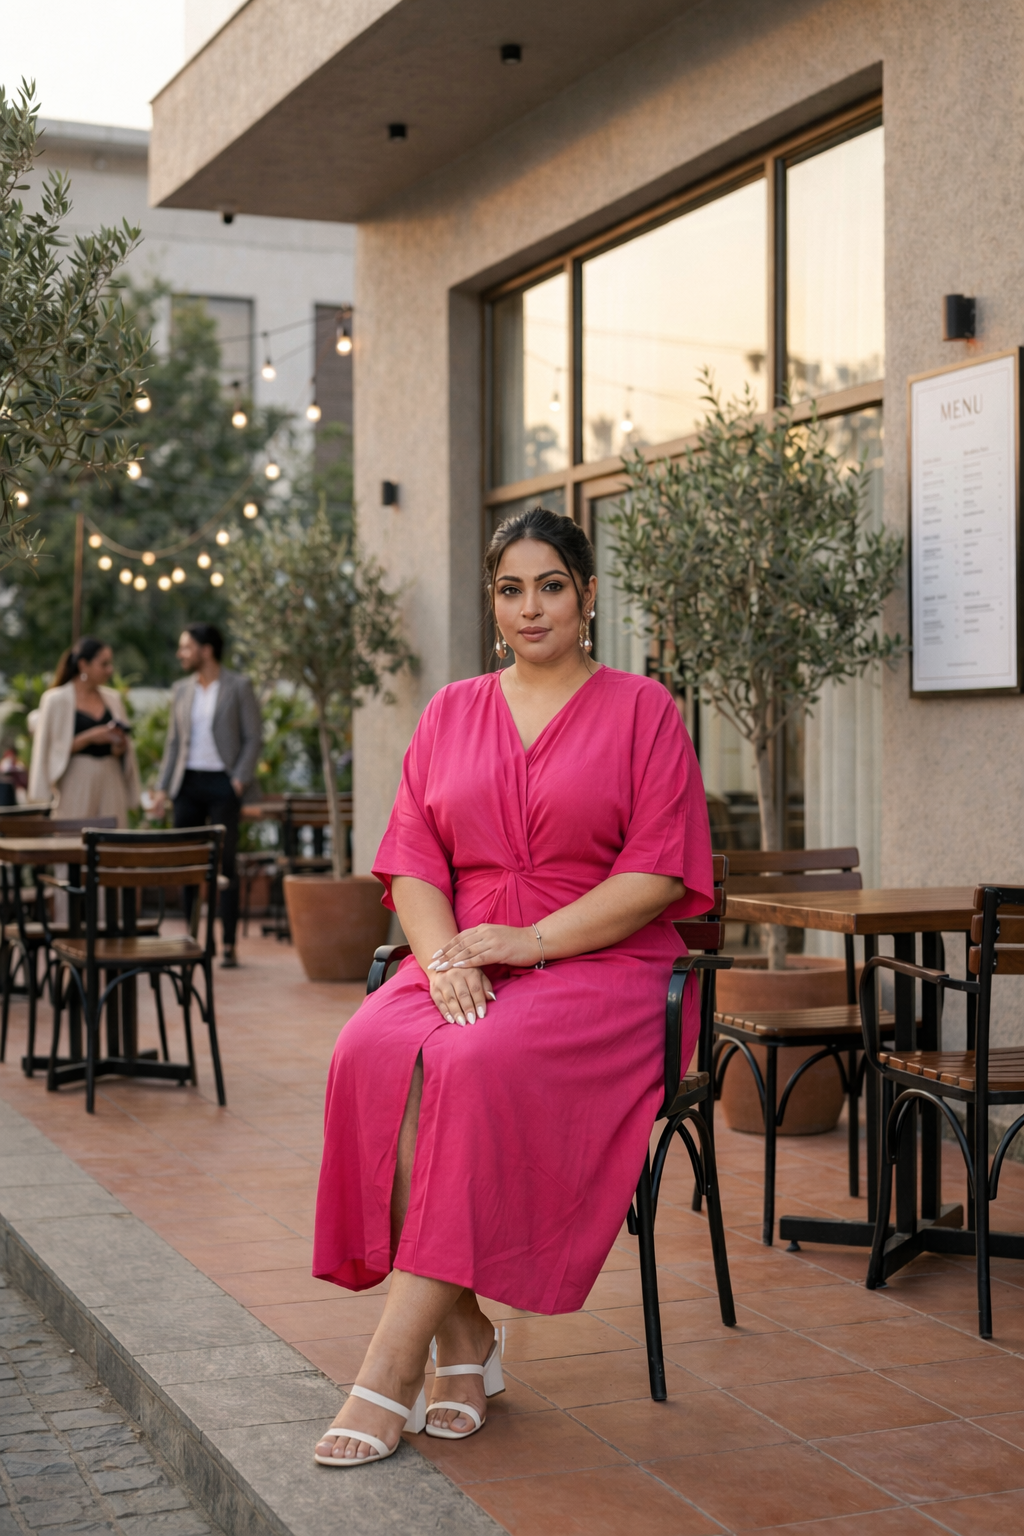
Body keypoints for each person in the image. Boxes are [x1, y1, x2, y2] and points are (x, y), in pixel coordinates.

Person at [311, 507, 712, 1466]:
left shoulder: (643, 709)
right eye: (510, 588)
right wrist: (448, 959)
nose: (530, 607)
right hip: (465, 949)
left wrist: (530, 940)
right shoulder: (450, 710)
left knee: (473, 1060)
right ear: (493, 603)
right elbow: (414, 861)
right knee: (366, 1048)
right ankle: (469, 1338)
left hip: (601, 963)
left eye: (550, 585)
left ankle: (390, 1366)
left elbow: (656, 874)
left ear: (588, 595)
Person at [151, 624, 261, 968]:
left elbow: (253, 737)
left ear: (206, 650)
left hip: (222, 784)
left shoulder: (238, 686)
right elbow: (173, 743)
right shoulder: (181, 689)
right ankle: (196, 940)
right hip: (187, 784)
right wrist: (161, 788)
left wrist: (238, 781)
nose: (181, 654)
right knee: (188, 863)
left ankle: (228, 943)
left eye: (186, 647)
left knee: (224, 863)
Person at [28, 638, 140, 824]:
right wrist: (91, 737)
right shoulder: (55, 700)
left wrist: (118, 743)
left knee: (112, 841)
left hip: (111, 777)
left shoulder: (113, 699)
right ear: (83, 665)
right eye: (104, 664)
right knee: (72, 839)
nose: (109, 669)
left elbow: (123, 752)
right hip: (75, 778)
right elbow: (49, 749)